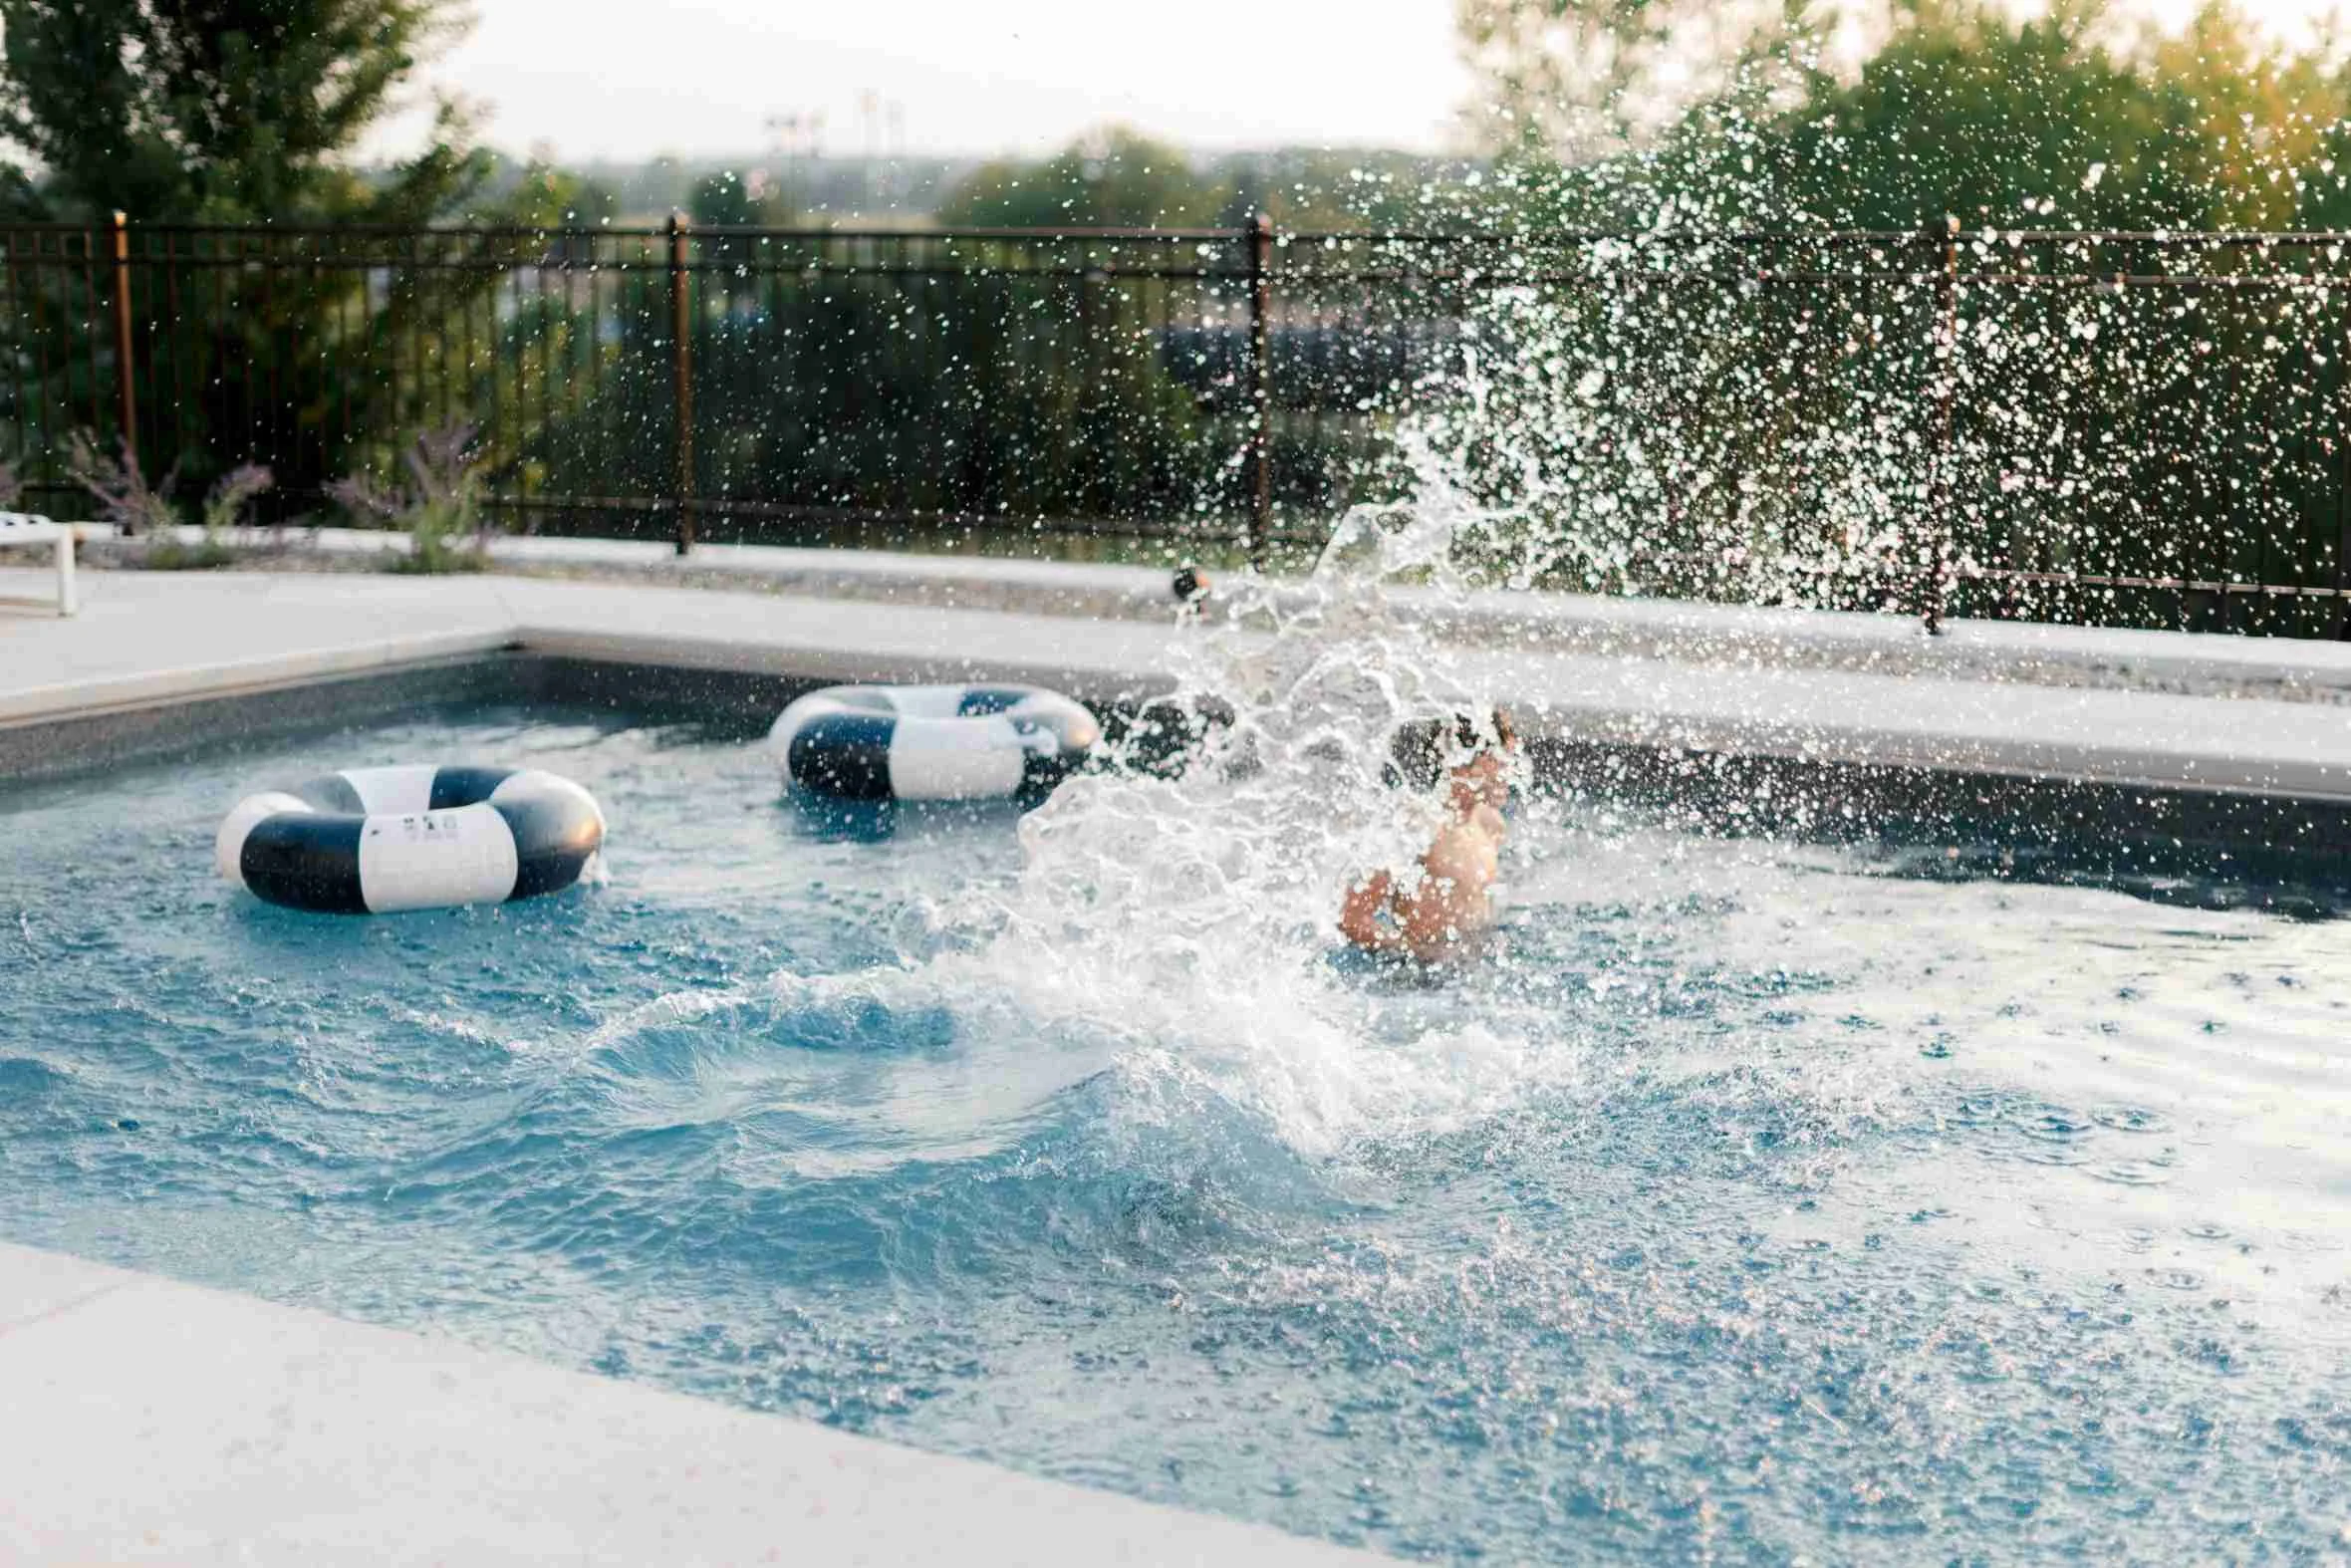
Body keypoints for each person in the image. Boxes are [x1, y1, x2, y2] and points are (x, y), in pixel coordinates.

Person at [1338, 707, 1517, 963]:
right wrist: (1413, 951)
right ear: (1463, 764)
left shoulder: (1490, 825)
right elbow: (1352, 918)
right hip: (1420, 979)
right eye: (1501, 761)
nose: (1510, 772)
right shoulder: (1416, 827)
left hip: (1474, 966)